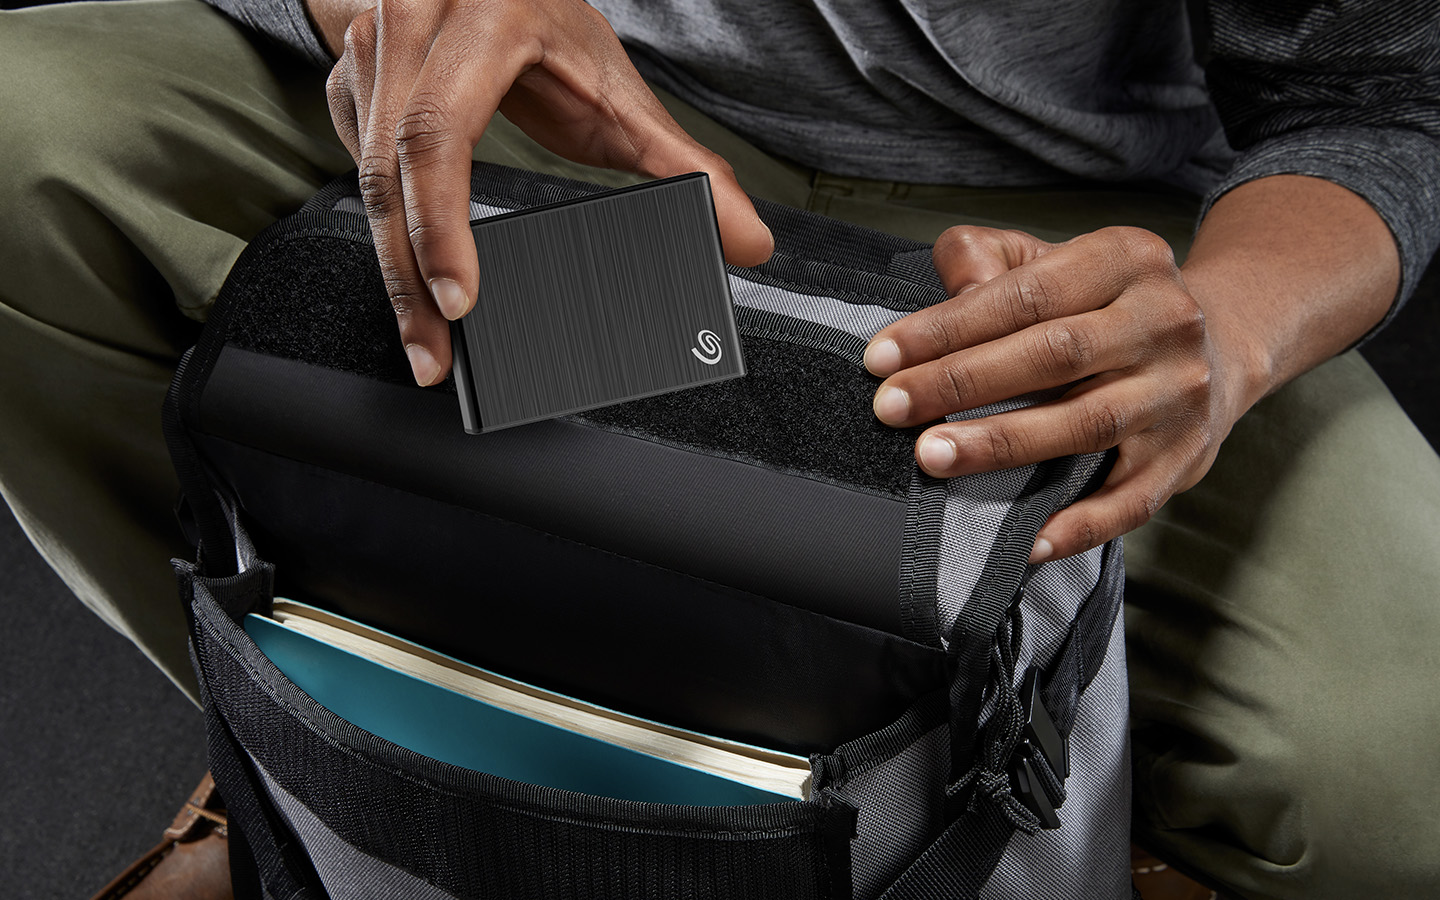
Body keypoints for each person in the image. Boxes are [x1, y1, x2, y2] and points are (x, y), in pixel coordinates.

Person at [1, 0, 1437, 897]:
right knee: (20, 137)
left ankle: (1005, 789)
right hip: (567, 124)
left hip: (1056, 231)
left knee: (1402, 786)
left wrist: (1222, 325)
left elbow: (1385, 95)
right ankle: (312, 764)